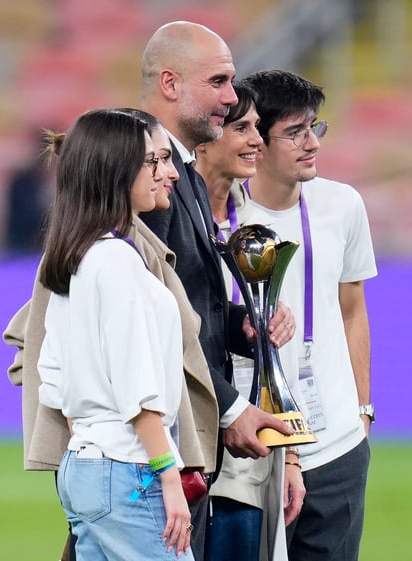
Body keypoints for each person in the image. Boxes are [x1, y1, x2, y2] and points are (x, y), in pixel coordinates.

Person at [3, 109, 219, 561]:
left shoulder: (77, 255)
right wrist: (167, 475)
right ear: (116, 171)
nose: (170, 173)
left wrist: (94, 446)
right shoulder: (119, 263)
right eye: (154, 162)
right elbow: (138, 393)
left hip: (85, 468)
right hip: (130, 471)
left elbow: (53, 379)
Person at [137, 21, 297, 559]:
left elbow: (184, 300)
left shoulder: (181, 171)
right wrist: (229, 409)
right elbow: (148, 319)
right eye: (220, 82)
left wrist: (240, 323)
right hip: (155, 448)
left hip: (185, 440)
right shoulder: (142, 171)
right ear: (170, 83)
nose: (231, 99)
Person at [241, 69, 378, 561]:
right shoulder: (223, 219)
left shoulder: (343, 205)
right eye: (295, 132)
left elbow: (353, 309)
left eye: (315, 128)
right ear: (257, 139)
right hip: (253, 451)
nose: (312, 144)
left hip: (338, 443)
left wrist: (362, 412)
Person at [194, 81, 304, 561]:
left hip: (252, 443)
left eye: (258, 127)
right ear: (207, 134)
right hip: (196, 432)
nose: (258, 140)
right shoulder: (166, 212)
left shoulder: (257, 218)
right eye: (243, 128)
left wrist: (264, 322)